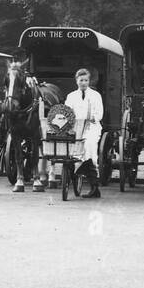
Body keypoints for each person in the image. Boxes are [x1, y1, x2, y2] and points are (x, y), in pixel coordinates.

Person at [61, 67, 104, 198]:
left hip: (91, 128)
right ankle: (73, 172)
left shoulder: (95, 96)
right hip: (76, 128)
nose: (83, 83)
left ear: (89, 81)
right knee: (71, 149)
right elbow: (67, 111)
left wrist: (92, 117)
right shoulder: (71, 96)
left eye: (86, 80)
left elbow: (99, 114)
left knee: (89, 148)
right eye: (81, 80)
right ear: (76, 81)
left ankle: (94, 186)